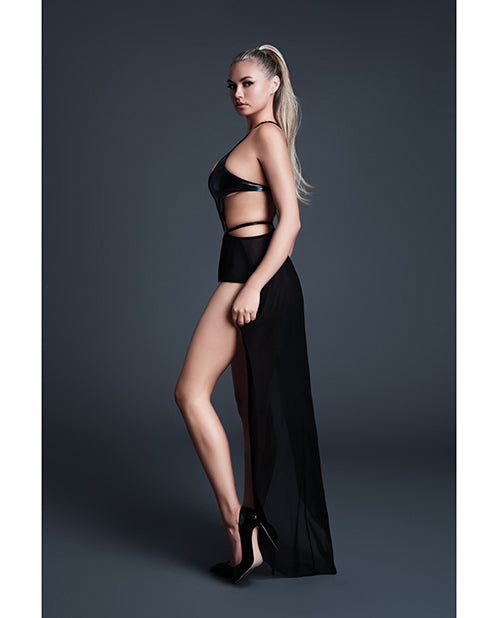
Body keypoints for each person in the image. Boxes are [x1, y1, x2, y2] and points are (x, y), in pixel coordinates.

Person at [174, 44, 337, 583]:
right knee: (249, 408)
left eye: (247, 83)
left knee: (190, 393)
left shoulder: (268, 136)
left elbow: (290, 223)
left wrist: (253, 289)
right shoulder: (251, 140)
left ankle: (236, 525)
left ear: (273, 84)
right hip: (244, 274)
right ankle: (254, 529)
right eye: (232, 85)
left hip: (254, 280)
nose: (237, 93)